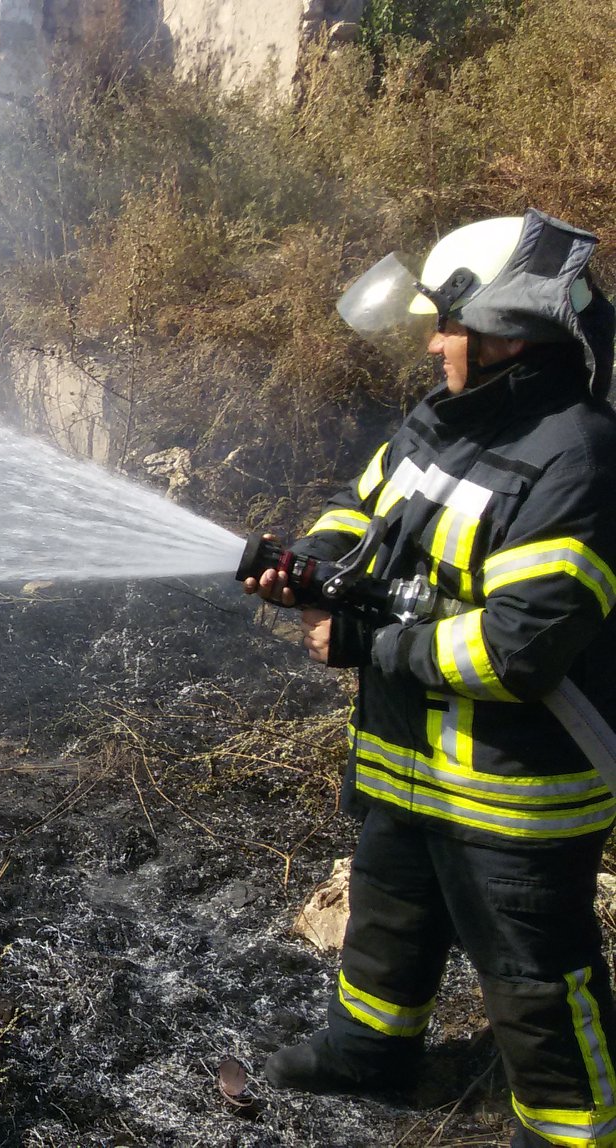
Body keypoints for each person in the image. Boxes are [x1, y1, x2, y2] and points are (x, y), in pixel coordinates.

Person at [245, 209, 616, 1147]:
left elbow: (519, 648)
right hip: (409, 763)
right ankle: (368, 1056)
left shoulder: (579, 457)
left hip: (513, 791)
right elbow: (361, 509)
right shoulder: (441, 421)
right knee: (386, 925)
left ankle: (572, 1131)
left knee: (535, 983)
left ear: (506, 335)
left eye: (447, 325)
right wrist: (310, 567)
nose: (432, 343)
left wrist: (366, 644)